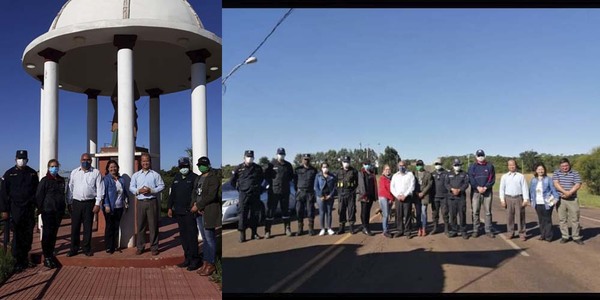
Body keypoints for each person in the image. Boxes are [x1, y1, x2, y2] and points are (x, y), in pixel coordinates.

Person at [0, 150, 39, 272]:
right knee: (17, 235)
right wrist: (4, 210)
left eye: (24, 158)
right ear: (15, 159)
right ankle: (16, 261)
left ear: (27, 160)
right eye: (20, 158)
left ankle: (24, 259)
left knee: (28, 235)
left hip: (29, 209)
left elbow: (36, 192)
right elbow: (3, 194)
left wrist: (37, 207)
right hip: (15, 209)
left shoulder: (32, 173)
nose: (22, 160)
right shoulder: (9, 174)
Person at [66, 153, 103, 257]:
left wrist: (97, 204)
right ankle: (74, 248)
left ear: (91, 161)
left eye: (88, 160)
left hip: (89, 203)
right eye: (83, 159)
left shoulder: (96, 172)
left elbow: (100, 189)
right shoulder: (74, 172)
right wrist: (69, 202)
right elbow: (70, 188)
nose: (85, 161)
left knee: (88, 227)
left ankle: (86, 248)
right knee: (75, 227)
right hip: (76, 203)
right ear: (80, 160)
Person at [167, 157, 201, 270]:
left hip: (189, 212)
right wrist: (169, 208)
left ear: (189, 166)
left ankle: (195, 260)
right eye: (181, 167)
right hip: (179, 212)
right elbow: (172, 194)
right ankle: (187, 258)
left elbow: (198, 194)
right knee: (184, 237)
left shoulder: (194, 178)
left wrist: (196, 206)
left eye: (185, 166)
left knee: (191, 236)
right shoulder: (176, 178)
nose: (183, 168)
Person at [191, 156, 222, 276]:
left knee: (210, 238)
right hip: (198, 211)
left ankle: (211, 264)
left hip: (208, 211)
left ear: (208, 165)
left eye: (203, 165)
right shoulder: (198, 178)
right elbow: (194, 192)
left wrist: (199, 205)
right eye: (199, 165)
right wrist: (194, 204)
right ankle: (205, 262)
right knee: (204, 238)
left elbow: (211, 196)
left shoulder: (213, 178)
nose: (201, 167)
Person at [130, 153, 165, 255]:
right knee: (140, 226)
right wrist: (138, 191)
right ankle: (140, 247)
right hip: (140, 202)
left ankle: (154, 247)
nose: (145, 163)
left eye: (147, 161)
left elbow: (162, 186)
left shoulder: (155, 174)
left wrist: (152, 190)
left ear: (150, 162)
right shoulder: (136, 175)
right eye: (143, 161)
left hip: (152, 202)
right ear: (141, 162)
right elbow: (131, 187)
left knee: (153, 225)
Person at [36, 159, 65, 269]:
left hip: (58, 212)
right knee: (47, 234)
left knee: (54, 234)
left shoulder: (61, 180)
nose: (54, 168)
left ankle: (51, 253)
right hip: (48, 211)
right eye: (52, 166)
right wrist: (41, 208)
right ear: (48, 167)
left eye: (56, 166)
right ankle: (47, 256)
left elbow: (62, 195)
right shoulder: (44, 181)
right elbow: (39, 196)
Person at [231, 150, 264, 242]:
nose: (249, 158)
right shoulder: (239, 168)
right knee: (243, 214)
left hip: (255, 194)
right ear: (244, 157)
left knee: (255, 214)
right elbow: (232, 181)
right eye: (248, 157)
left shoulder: (257, 168)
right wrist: (240, 189)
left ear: (253, 158)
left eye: (251, 157)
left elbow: (262, 179)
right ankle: (242, 234)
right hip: (244, 194)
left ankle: (254, 233)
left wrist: (258, 188)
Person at [264, 148, 294, 239]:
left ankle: (287, 229)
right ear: (276, 154)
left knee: (285, 211)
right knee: (270, 212)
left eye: (283, 154)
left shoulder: (288, 165)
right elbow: (266, 176)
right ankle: (267, 231)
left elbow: (290, 177)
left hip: (285, 191)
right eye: (280, 154)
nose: (281, 155)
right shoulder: (271, 164)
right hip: (273, 192)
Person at [553, 158, 583, 245]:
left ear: (569, 165)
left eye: (566, 165)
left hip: (572, 199)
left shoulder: (575, 173)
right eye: (563, 166)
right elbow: (556, 184)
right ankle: (565, 236)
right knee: (562, 219)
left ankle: (576, 236)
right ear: (560, 166)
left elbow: (578, 184)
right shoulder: (556, 172)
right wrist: (565, 192)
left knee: (575, 219)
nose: (565, 167)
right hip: (561, 199)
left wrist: (569, 193)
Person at [101, 160, 129, 254]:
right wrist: (106, 205)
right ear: (108, 169)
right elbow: (104, 194)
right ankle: (109, 247)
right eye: (111, 167)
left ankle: (115, 245)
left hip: (119, 207)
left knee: (116, 226)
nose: (113, 168)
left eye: (115, 167)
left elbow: (124, 191)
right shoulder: (106, 179)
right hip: (109, 207)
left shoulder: (121, 179)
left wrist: (126, 201)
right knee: (109, 227)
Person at [468, 149, 496, 238]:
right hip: (476, 192)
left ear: (485, 155)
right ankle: (475, 230)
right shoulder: (472, 166)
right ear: (476, 156)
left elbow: (492, 179)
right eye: (479, 155)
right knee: (475, 211)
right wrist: (477, 187)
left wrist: (485, 187)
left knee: (488, 212)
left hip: (487, 192)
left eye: (482, 155)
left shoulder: (490, 166)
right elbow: (471, 179)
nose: (481, 157)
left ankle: (488, 230)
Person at [499, 159, 530, 240]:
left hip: (518, 198)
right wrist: (502, 200)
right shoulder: (504, 176)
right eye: (510, 165)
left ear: (515, 165)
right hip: (508, 198)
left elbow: (524, 188)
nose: (511, 166)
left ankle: (522, 233)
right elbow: (501, 189)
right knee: (509, 217)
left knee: (521, 216)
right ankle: (510, 233)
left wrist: (525, 199)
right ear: (508, 166)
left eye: (513, 164)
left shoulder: (520, 176)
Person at [529, 163, 559, 242]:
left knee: (547, 219)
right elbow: (531, 191)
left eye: (542, 169)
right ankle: (542, 235)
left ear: (544, 170)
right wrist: (530, 200)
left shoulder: (548, 179)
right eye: (539, 169)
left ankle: (549, 236)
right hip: (537, 203)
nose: (540, 171)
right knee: (541, 220)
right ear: (536, 170)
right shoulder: (533, 180)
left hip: (547, 202)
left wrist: (556, 199)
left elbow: (553, 190)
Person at [293, 154, 318, 236]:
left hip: (309, 192)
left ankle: (311, 229)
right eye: (304, 159)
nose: (306, 161)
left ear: (309, 160)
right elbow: (294, 182)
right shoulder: (297, 169)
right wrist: (297, 190)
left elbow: (316, 181)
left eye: (307, 159)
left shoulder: (314, 170)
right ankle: (300, 229)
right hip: (300, 192)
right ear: (302, 160)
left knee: (310, 211)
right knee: (299, 211)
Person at [445, 158, 470, 239]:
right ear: (453, 166)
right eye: (455, 165)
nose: (457, 166)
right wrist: (452, 189)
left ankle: (463, 231)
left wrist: (459, 190)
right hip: (451, 197)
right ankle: (454, 230)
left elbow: (466, 184)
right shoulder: (448, 174)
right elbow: (446, 184)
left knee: (462, 214)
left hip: (461, 197)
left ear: (460, 165)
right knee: (453, 215)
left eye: (458, 165)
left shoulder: (464, 174)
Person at [390, 160, 415, 239]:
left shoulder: (410, 175)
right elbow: (392, 187)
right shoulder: (395, 175)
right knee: (399, 215)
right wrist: (397, 195)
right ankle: (400, 230)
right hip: (398, 198)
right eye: (400, 165)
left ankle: (407, 231)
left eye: (403, 165)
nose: (401, 167)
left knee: (407, 214)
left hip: (407, 197)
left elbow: (412, 186)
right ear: (398, 166)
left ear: (406, 166)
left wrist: (405, 195)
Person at [335, 156, 359, 235]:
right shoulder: (338, 171)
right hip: (341, 194)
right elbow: (335, 183)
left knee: (351, 210)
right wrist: (338, 192)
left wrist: (353, 191)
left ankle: (351, 227)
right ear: (342, 162)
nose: (346, 163)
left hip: (350, 193)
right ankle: (342, 227)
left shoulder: (354, 171)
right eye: (345, 162)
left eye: (347, 161)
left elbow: (357, 182)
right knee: (341, 210)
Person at [315, 162, 337, 236]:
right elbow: (316, 187)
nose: (325, 168)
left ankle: (329, 228)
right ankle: (322, 229)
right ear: (321, 168)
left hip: (329, 196)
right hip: (320, 197)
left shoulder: (332, 176)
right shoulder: (318, 176)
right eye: (323, 167)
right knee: (321, 213)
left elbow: (335, 187)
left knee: (329, 212)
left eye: (326, 167)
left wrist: (330, 195)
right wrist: (320, 195)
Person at [357, 160, 377, 236]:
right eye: (365, 164)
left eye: (368, 164)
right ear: (363, 164)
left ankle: (366, 225)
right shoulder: (361, 173)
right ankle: (365, 227)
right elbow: (361, 185)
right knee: (364, 212)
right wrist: (364, 195)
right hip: (364, 196)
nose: (367, 165)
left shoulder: (371, 173)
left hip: (371, 196)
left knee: (368, 212)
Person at [414, 159, 433, 237]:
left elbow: (429, 184)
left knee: (424, 212)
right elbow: (411, 184)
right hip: (416, 196)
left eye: (420, 165)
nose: (419, 166)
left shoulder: (428, 174)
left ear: (423, 165)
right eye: (418, 165)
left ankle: (424, 228)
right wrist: (416, 192)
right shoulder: (414, 174)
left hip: (424, 196)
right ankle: (419, 229)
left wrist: (423, 192)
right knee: (418, 213)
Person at [431, 158, 449, 235]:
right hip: (435, 197)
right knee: (435, 214)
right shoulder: (432, 174)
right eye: (436, 164)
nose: (438, 165)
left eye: (439, 164)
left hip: (444, 197)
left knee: (445, 213)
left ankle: (446, 229)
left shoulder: (446, 173)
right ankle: (435, 228)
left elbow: (449, 184)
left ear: (441, 164)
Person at [377, 164, 394, 238]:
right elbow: (384, 190)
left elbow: (392, 189)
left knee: (388, 214)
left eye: (389, 169)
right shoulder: (382, 178)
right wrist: (391, 198)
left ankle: (387, 229)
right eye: (386, 169)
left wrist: (391, 198)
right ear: (383, 171)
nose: (388, 171)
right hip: (384, 198)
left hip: (389, 198)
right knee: (386, 214)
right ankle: (385, 231)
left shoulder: (390, 178)